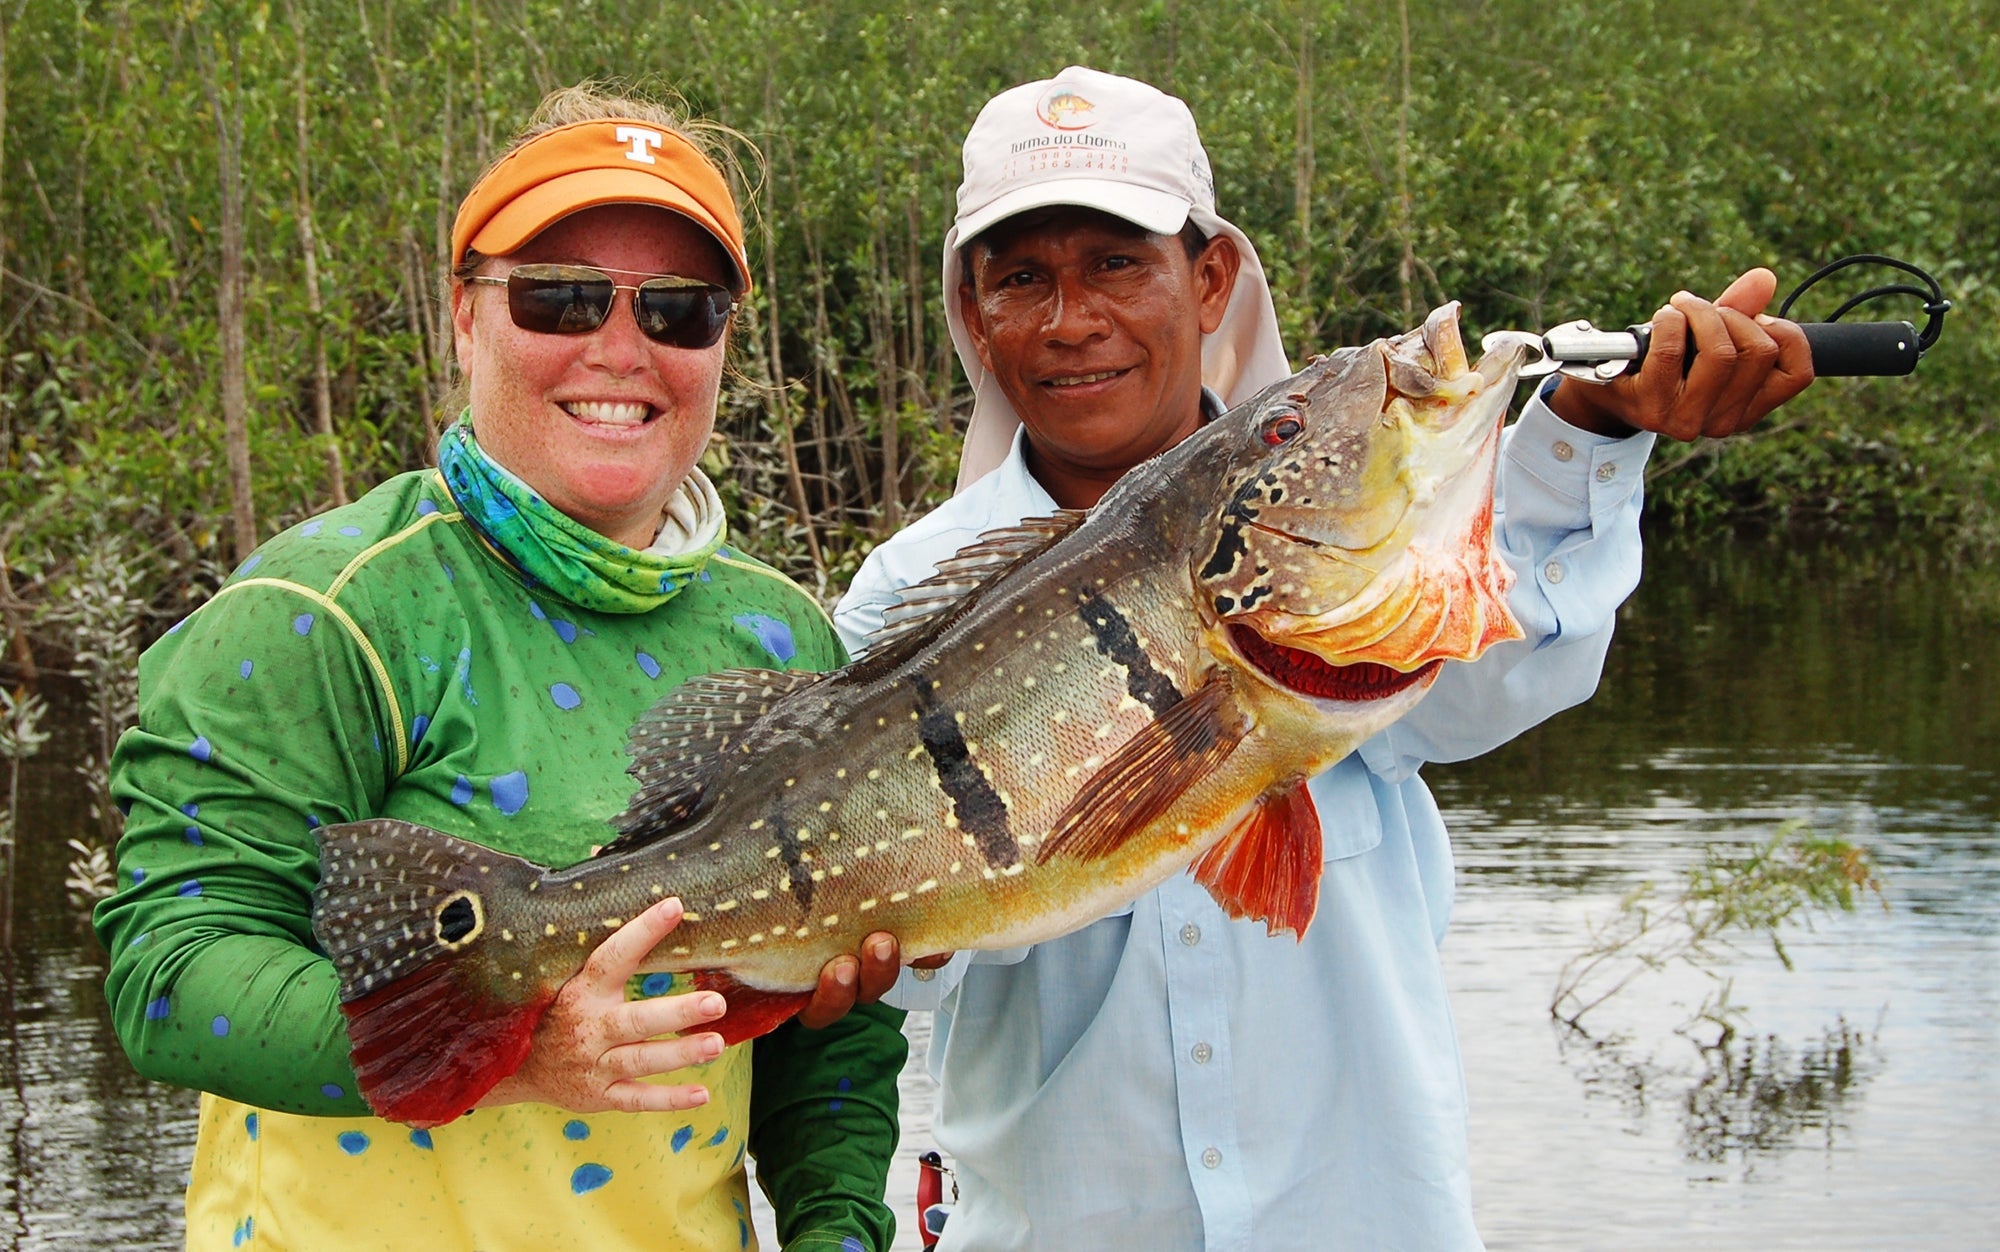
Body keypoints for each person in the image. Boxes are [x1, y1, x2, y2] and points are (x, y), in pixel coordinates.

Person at [832, 66, 1812, 1250]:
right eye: (1021, 277)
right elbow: (911, 976)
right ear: (973, 313)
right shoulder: (909, 590)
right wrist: (862, 952)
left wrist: (1590, 434)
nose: (1069, 318)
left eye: (1116, 263)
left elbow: (1503, 676)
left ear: (1208, 280)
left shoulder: (1353, 543)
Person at [96, 85, 907, 1252]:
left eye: (680, 311)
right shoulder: (323, 611)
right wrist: (515, 1053)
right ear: (464, 316)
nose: (621, 348)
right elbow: (170, 975)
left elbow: (829, 1028)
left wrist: (836, 1226)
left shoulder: (783, 635)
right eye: (561, 296)